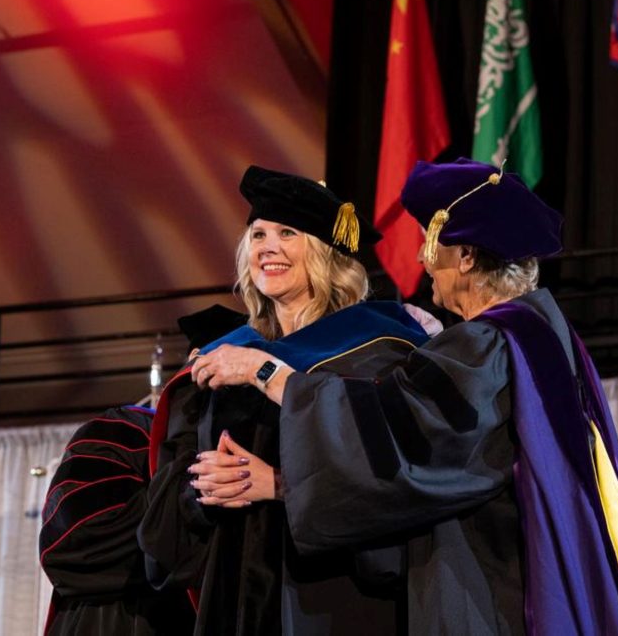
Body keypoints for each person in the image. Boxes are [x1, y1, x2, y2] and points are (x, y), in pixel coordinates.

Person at [191, 158, 618, 635]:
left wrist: (267, 376)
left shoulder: (486, 345)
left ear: (466, 256)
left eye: (434, 247)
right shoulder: (538, 335)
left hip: (487, 580)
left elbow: (406, 443)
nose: (423, 262)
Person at [137, 165, 431, 636]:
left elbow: (391, 481)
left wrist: (281, 484)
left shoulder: (376, 351)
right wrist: (205, 489)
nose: (266, 247)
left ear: (324, 254)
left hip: (333, 595)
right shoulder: (225, 359)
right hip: (234, 594)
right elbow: (166, 526)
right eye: (257, 234)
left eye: (287, 233)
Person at [38, 305, 245, 635]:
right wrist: (193, 493)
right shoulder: (122, 432)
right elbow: (71, 548)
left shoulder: (264, 455)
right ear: (195, 362)